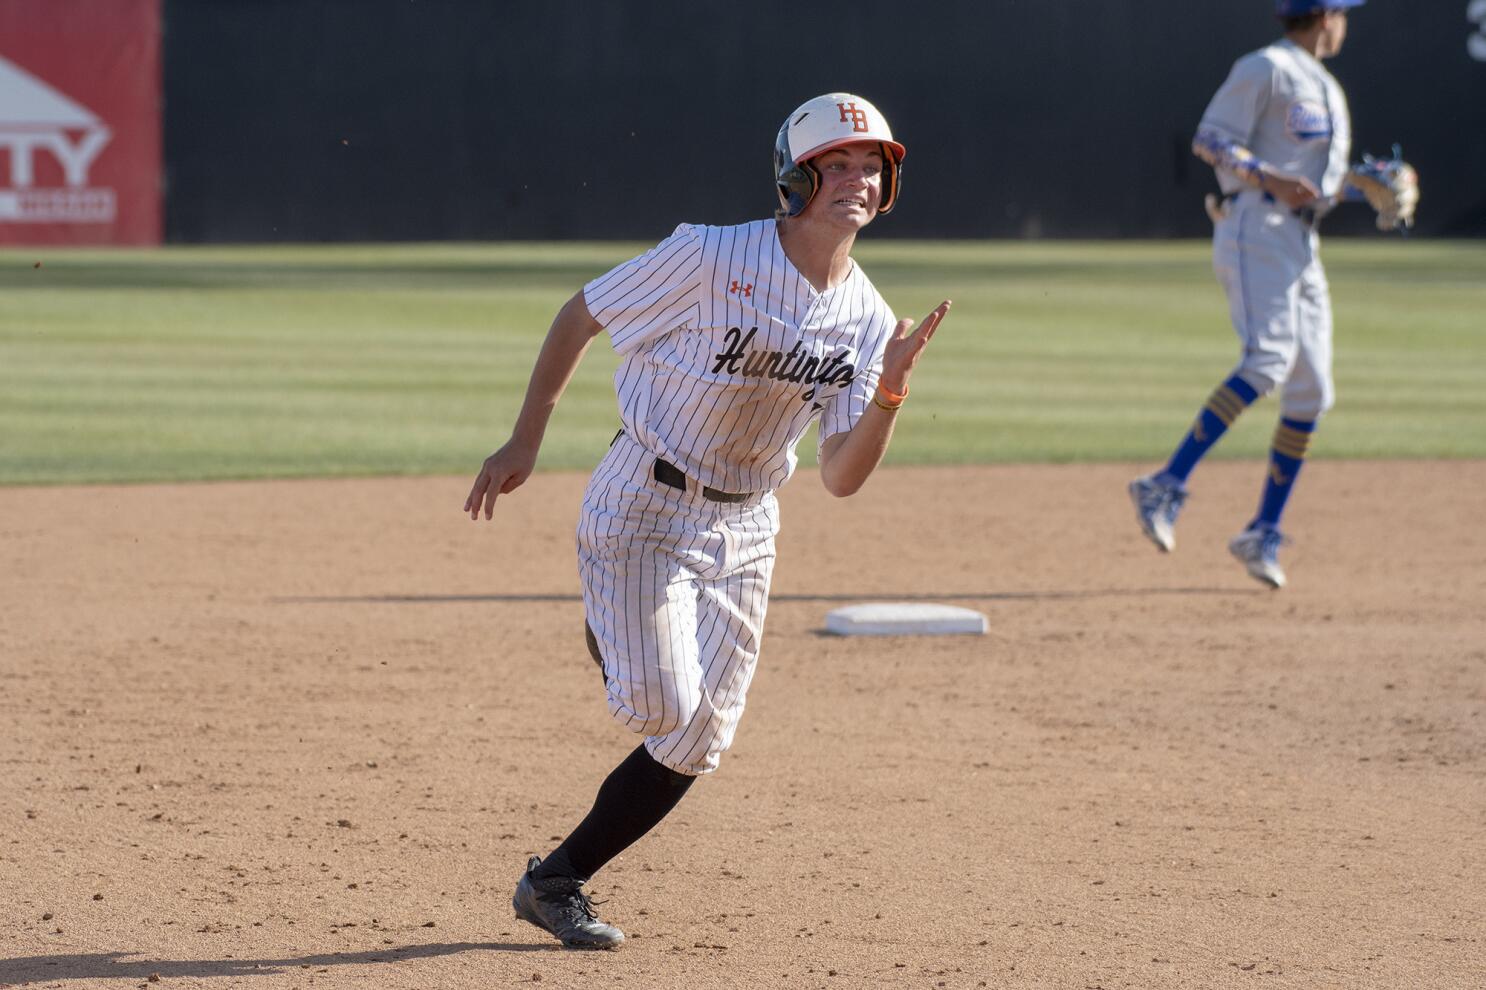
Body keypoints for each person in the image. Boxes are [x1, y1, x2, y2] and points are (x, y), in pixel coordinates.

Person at [464, 92, 950, 949]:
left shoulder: (869, 318)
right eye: (837, 164)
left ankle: (555, 881)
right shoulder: (709, 256)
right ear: (796, 178)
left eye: (871, 166)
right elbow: (584, 314)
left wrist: (889, 392)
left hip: (747, 527)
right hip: (645, 500)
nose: (859, 179)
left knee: (697, 740)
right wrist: (523, 438)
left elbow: (839, 476)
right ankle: (613, 632)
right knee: (659, 702)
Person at [1128, 0, 1368, 590]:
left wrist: (1373, 188)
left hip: (1302, 243)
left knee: (1312, 391)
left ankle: (1262, 530)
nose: (1345, 21)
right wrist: (1267, 177)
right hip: (1254, 225)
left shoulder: (1327, 87)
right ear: (1324, 15)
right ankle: (1164, 484)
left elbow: (1317, 187)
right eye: (1342, 11)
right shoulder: (1265, 67)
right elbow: (1211, 142)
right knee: (1268, 361)